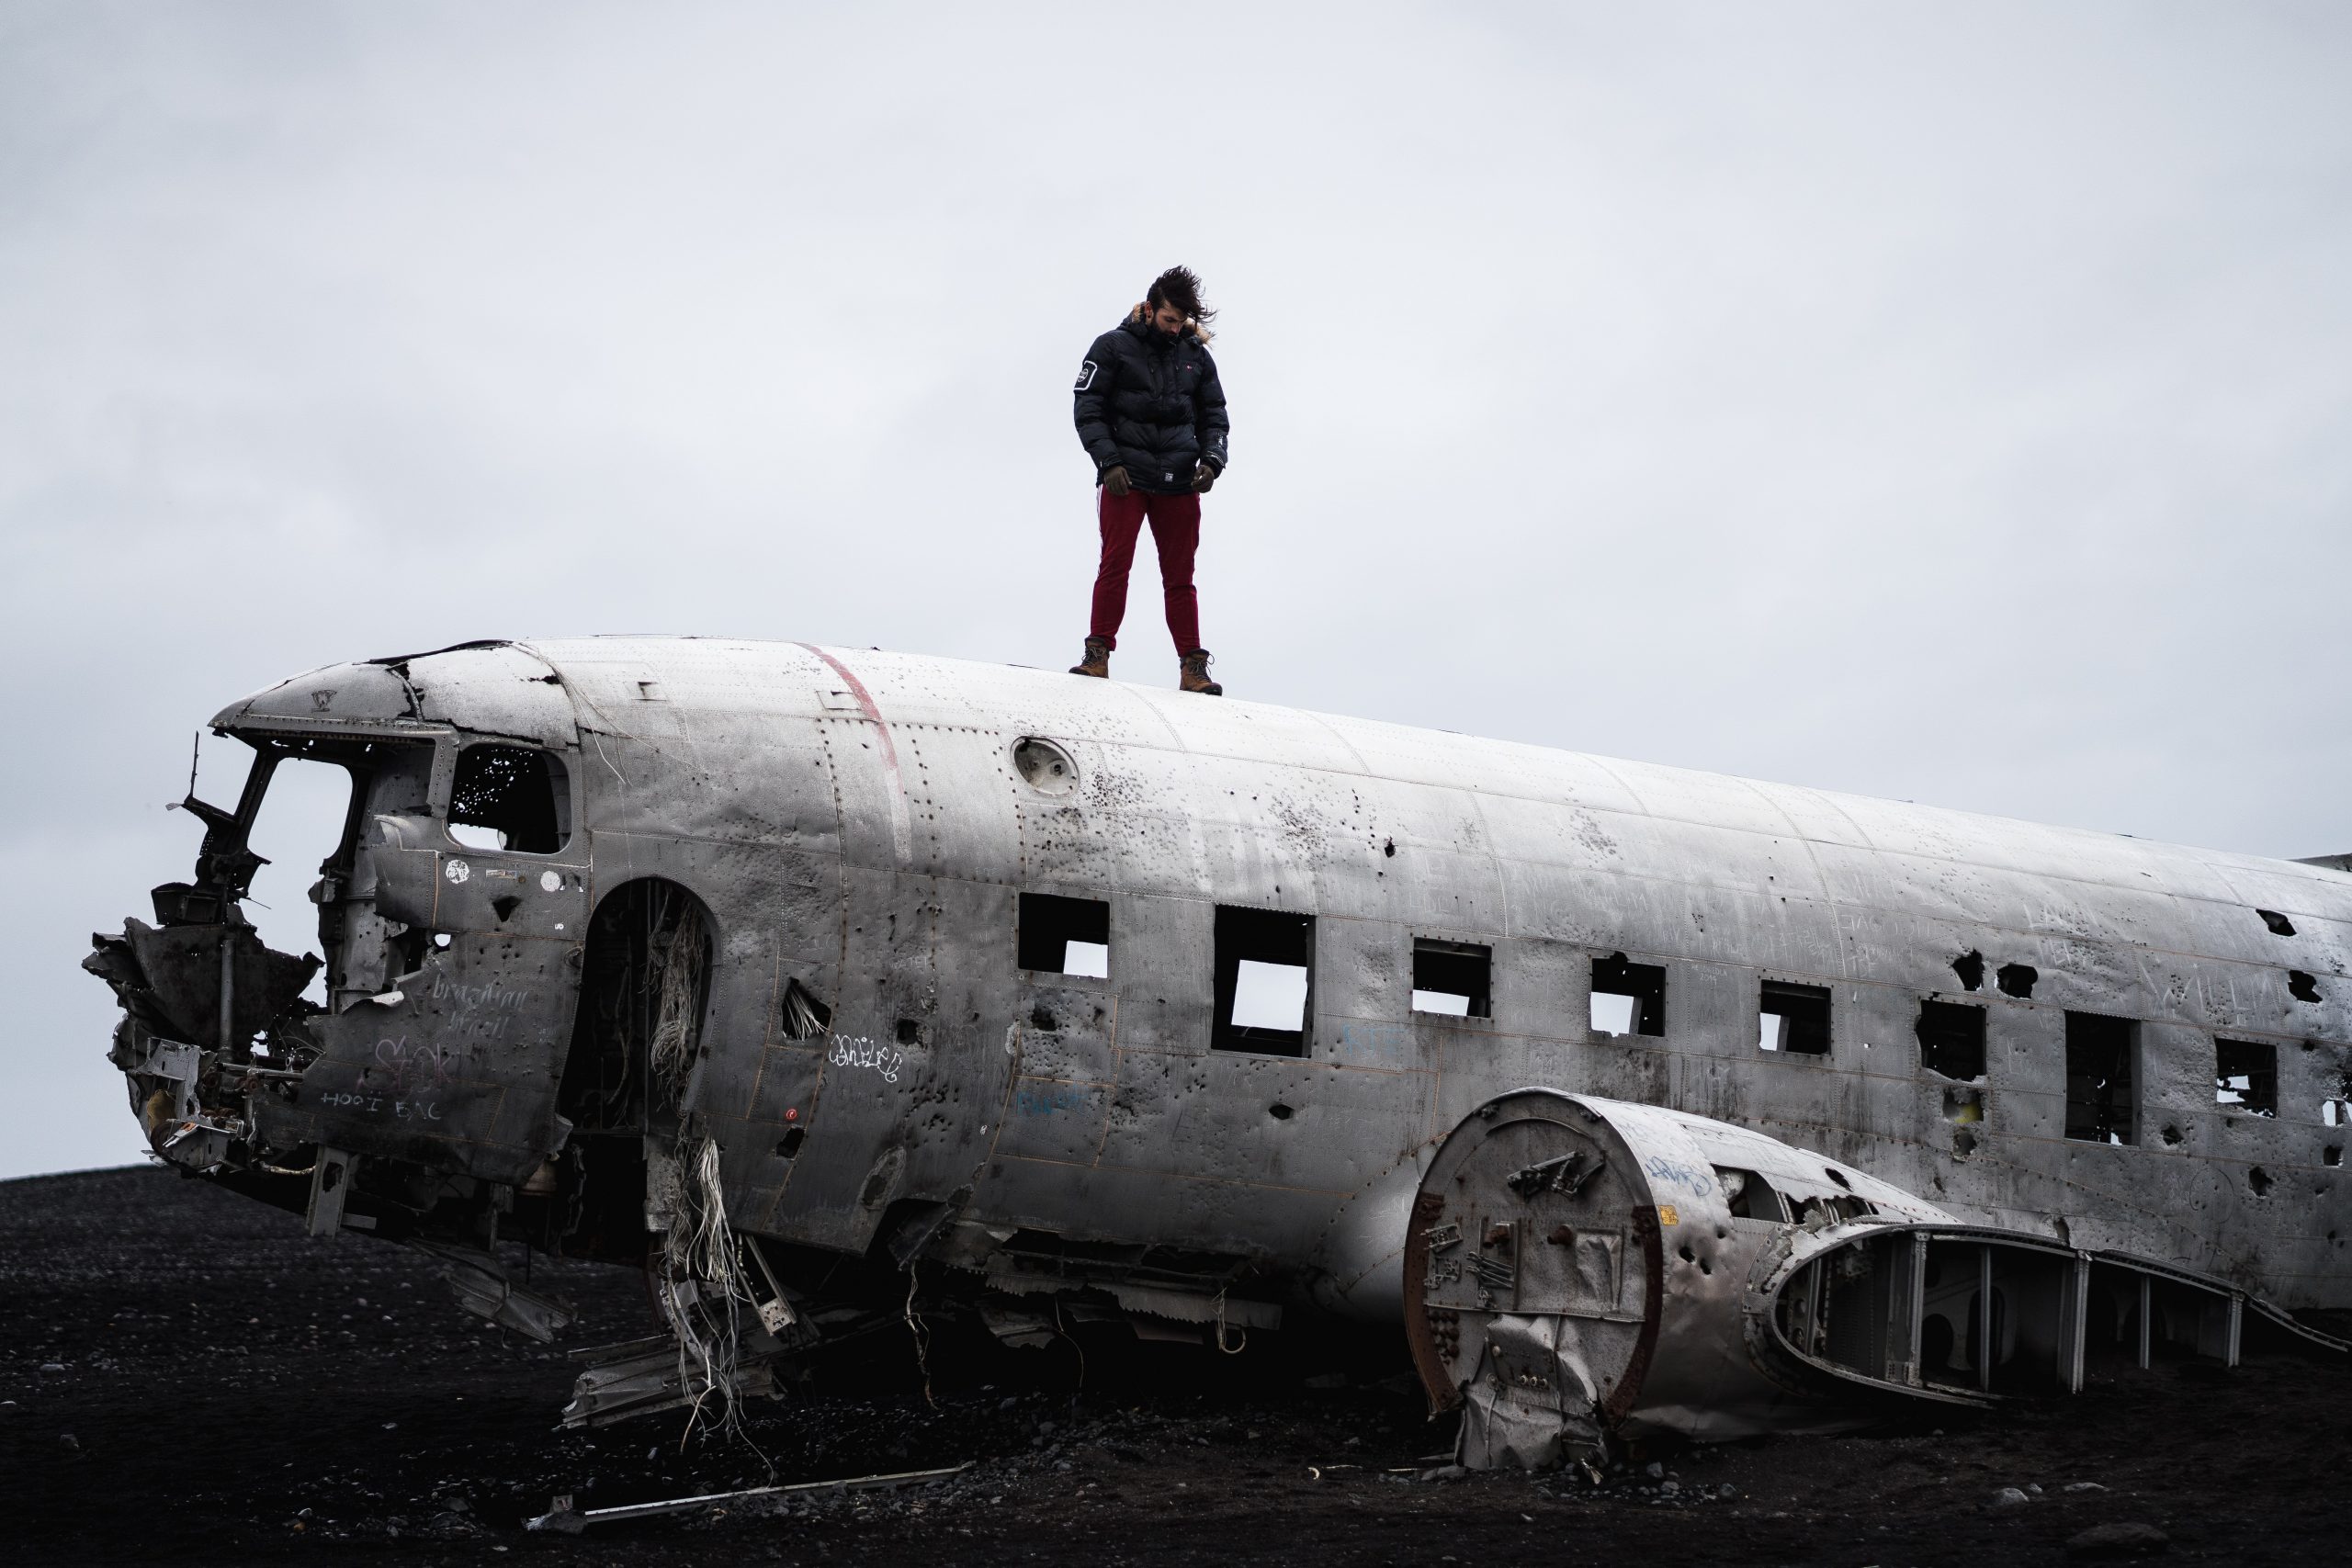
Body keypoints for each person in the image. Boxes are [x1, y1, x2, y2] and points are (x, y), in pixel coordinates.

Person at [1069, 265, 1229, 694]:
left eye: (1181, 322)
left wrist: (1212, 461)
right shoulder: (1112, 347)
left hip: (1179, 482)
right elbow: (1087, 409)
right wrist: (1108, 462)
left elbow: (1215, 415)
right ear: (1151, 308)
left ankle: (1193, 669)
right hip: (1127, 478)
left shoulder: (1196, 356)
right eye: (1168, 320)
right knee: (1114, 565)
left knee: (1181, 577)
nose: (1175, 329)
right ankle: (1097, 655)